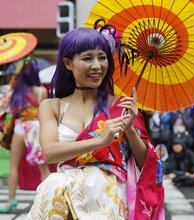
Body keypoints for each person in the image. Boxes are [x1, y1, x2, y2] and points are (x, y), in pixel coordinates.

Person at [26, 24, 165, 220]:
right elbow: (49, 153)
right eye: (87, 58)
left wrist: (130, 129)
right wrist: (100, 140)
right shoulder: (51, 106)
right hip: (61, 199)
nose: (97, 66)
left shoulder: (122, 105)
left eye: (102, 57)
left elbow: (147, 164)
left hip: (108, 200)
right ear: (68, 63)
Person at [0, 59, 50, 213]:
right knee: (44, 167)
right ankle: (47, 200)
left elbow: (5, 108)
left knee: (13, 165)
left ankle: (11, 199)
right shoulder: (42, 91)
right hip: (37, 128)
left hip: (21, 127)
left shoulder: (16, 92)